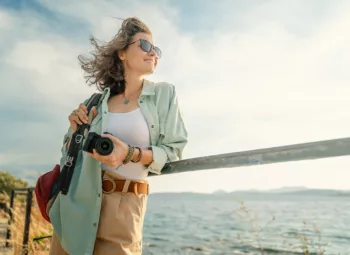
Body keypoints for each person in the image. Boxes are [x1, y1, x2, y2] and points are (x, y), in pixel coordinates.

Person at [49, 17, 188, 255]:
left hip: (126, 206)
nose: (152, 53)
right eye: (145, 46)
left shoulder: (164, 94)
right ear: (122, 53)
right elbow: (67, 153)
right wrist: (75, 130)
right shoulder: (95, 101)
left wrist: (130, 153)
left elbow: (173, 151)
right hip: (77, 200)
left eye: (156, 49)